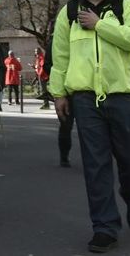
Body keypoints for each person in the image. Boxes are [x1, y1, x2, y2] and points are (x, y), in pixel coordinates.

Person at [49, 0, 130, 254]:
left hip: (124, 96)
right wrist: (58, 93)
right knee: (96, 166)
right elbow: (60, 56)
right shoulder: (69, 11)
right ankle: (105, 228)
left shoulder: (125, 5)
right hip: (85, 100)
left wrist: (99, 25)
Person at [44, 36, 74, 166]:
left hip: (75, 89)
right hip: (68, 90)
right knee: (67, 125)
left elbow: (46, 65)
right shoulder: (55, 42)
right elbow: (47, 65)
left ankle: (65, 157)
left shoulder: (55, 41)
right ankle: (64, 156)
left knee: (68, 126)